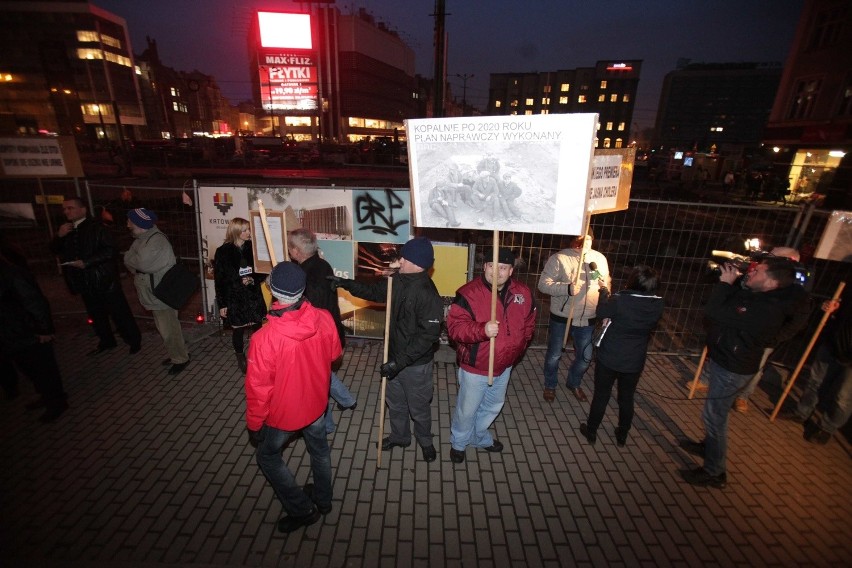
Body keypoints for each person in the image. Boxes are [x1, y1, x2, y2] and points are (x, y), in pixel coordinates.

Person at [680, 257, 799, 488]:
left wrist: (725, 284)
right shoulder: (761, 297)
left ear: (772, 282)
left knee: (713, 417)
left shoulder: (764, 307)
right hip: (728, 361)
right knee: (716, 414)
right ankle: (708, 447)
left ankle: (715, 472)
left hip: (732, 368)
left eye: (759, 271)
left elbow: (714, 311)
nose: (751, 272)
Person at [245, 262, 342, 533]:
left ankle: (302, 510)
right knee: (320, 451)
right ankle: (324, 501)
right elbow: (334, 355)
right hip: (317, 405)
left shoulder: (264, 338)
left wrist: (254, 426)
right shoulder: (323, 317)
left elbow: (258, 390)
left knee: (267, 457)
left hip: (283, 416)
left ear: (273, 292)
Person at [329, 236, 443, 462]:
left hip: (414, 365)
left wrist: (398, 363)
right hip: (392, 357)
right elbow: (373, 292)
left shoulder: (428, 295)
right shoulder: (396, 280)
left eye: (404, 258)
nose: (400, 261)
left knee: (419, 406)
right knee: (396, 402)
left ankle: (425, 440)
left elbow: (427, 338)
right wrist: (346, 284)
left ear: (417, 263)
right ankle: (401, 436)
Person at [446, 248, 536, 463]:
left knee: (493, 405)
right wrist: (482, 330)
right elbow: (454, 329)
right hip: (476, 366)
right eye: (491, 266)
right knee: (467, 409)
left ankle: (479, 436)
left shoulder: (522, 293)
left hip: (505, 365)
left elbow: (529, 323)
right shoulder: (468, 294)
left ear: (511, 270)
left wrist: (519, 346)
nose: (497, 272)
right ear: (484, 267)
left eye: (503, 268)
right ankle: (459, 442)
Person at [579, 265, 664, 446]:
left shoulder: (619, 300)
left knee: (602, 394)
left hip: (610, 357)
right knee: (626, 397)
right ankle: (622, 434)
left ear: (633, 281)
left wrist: (603, 292)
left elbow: (601, 312)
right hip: (634, 360)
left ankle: (592, 430)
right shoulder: (657, 304)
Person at [287, 228, 357, 435]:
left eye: (290, 247)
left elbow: (310, 313)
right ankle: (347, 400)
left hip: (318, 337)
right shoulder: (322, 264)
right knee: (323, 373)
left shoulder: (305, 277)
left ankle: (326, 426)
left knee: (315, 381)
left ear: (297, 252)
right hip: (331, 332)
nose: (289, 250)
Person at [50, 197, 141, 355]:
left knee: (119, 313)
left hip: (104, 279)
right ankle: (106, 341)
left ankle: (133, 340)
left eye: (70, 208)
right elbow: (55, 250)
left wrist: (87, 262)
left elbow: (111, 250)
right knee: (96, 314)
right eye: (64, 209)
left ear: (83, 209)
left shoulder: (98, 228)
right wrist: (59, 236)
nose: (66, 212)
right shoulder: (66, 230)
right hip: (84, 281)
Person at [733, 246, 811, 412]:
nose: (767, 259)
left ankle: (742, 396)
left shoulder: (797, 287)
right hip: (746, 325)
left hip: (767, 335)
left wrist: (776, 337)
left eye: (773, 257)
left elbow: (798, 318)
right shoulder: (763, 270)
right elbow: (744, 291)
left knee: (755, 365)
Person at [538, 231, 610, 402]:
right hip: (562, 317)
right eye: (582, 240)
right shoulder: (560, 258)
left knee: (585, 357)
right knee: (554, 355)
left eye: (589, 239)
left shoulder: (599, 259)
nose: (585, 243)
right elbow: (543, 285)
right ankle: (550, 385)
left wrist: (606, 298)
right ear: (574, 240)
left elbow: (607, 281)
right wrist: (567, 289)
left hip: (588, 317)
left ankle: (573, 382)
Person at [0, 242, 68, 422]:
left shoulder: (11, 273)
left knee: (44, 369)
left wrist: (44, 329)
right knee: (30, 370)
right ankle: (46, 396)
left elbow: (34, 302)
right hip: (11, 335)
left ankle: (57, 402)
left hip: (29, 333)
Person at [124, 208, 191, 375]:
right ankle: (177, 353)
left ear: (139, 223)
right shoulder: (142, 239)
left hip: (162, 293)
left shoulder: (155, 241)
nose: (127, 224)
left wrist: (131, 259)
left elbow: (141, 263)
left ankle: (180, 358)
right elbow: (132, 260)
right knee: (165, 327)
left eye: (130, 220)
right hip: (154, 291)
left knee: (168, 328)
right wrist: (132, 260)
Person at [779, 297, 852, 445]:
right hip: (833, 342)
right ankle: (802, 412)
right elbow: (837, 302)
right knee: (815, 381)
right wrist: (830, 306)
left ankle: (827, 428)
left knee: (843, 397)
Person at [214, 218, 266, 373]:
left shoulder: (253, 248)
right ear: (236, 231)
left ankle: (257, 355)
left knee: (257, 326)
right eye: (245, 230)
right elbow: (219, 279)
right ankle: (239, 355)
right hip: (234, 297)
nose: (248, 233)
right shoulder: (223, 252)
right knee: (238, 329)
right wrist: (222, 304)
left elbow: (263, 270)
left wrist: (253, 279)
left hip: (252, 294)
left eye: (249, 229)